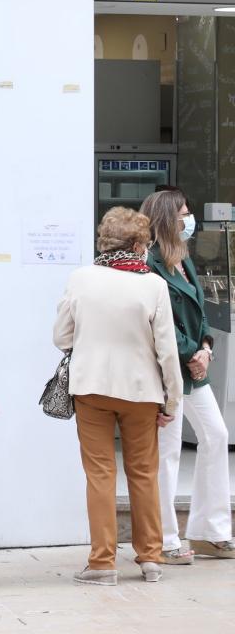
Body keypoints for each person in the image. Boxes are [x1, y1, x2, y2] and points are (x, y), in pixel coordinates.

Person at [54, 207, 184, 587]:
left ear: (105, 240)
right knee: (144, 473)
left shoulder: (80, 279)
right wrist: (171, 401)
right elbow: (167, 351)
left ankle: (102, 563)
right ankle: (151, 558)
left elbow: (61, 337)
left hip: (91, 388)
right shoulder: (153, 284)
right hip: (142, 392)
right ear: (140, 243)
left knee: (100, 474)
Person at [141, 190, 235, 562]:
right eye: (183, 213)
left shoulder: (183, 259)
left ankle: (210, 530)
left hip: (195, 368)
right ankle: (165, 539)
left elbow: (200, 312)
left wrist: (206, 349)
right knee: (167, 453)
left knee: (216, 434)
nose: (189, 219)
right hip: (167, 371)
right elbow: (155, 321)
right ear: (167, 219)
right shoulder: (149, 263)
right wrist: (189, 353)